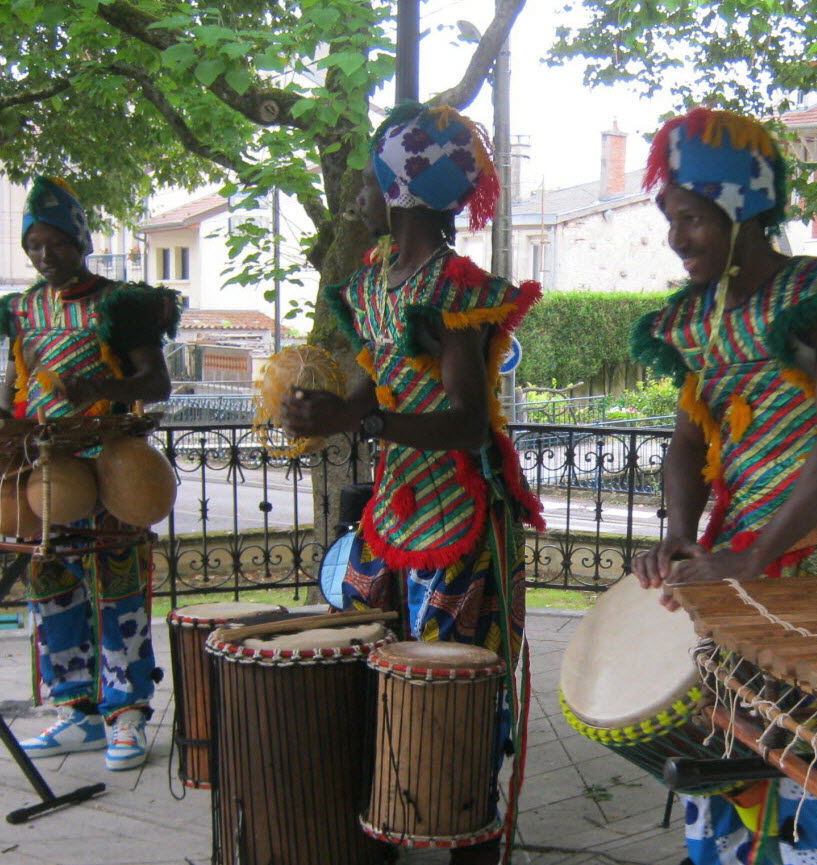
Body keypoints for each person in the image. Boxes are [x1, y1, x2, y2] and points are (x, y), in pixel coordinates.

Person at [629, 107, 817, 865]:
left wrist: (758, 555)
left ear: (741, 208)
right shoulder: (694, 320)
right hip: (736, 568)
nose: (677, 237)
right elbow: (689, 442)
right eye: (670, 219)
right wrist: (681, 536)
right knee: (738, 760)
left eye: (691, 218)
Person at [278, 100, 543, 865]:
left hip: (458, 515)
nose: (357, 194)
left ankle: (467, 834)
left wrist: (364, 421)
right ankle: (386, 818)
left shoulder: (454, 288)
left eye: (367, 178)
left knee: (453, 684)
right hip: (395, 513)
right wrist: (335, 413)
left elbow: (468, 422)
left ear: (399, 188)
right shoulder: (372, 283)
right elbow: (374, 387)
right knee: (369, 657)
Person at [0, 177, 180, 771]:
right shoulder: (21, 309)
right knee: (53, 587)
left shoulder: (119, 304)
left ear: (80, 242)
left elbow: (157, 383)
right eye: (34, 246)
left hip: (113, 467)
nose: (45, 256)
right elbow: (15, 385)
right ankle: (75, 711)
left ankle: (126, 714)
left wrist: (98, 388)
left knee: (118, 588)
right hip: (47, 466)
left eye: (56, 244)